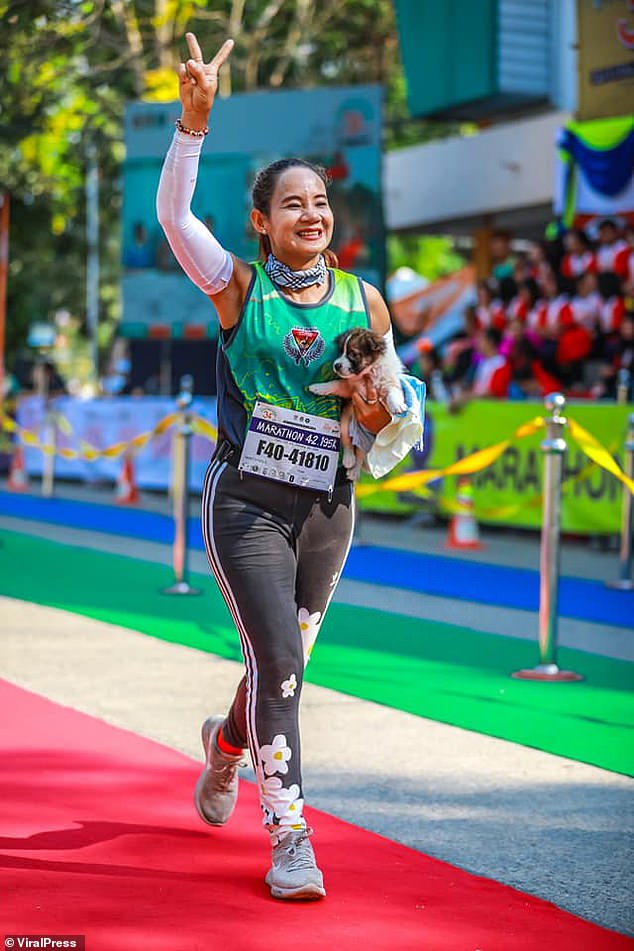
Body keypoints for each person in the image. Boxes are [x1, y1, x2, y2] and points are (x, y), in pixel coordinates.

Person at [156, 33, 422, 902]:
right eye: (292, 204)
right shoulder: (236, 285)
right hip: (247, 507)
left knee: (281, 668)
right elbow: (174, 218)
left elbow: (393, 416)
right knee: (280, 663)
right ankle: (291, 835)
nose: (312, 213)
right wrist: (193, 126)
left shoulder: (365, 301)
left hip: (327, 512)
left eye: (321, 201)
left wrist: (369, 401)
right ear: (262, 221)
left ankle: (226, 746)